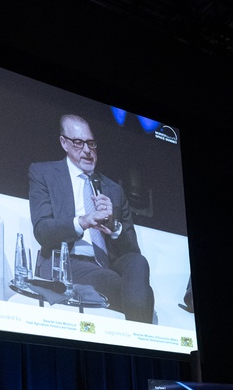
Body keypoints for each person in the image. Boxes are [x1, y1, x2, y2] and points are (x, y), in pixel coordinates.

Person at [28, 114, 154, 323]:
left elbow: (132, 250)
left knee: (138, 262)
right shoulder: (44, 173)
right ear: (64, 143)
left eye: (91, 144)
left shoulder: (113, 189)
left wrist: (114, 227)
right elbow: (42, 230)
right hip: (65, 260)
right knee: (138, 291)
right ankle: (143, 344)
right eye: (78, 143)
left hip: (106, 264)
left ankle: (137, 340)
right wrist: (83, 221)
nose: (87, 150)